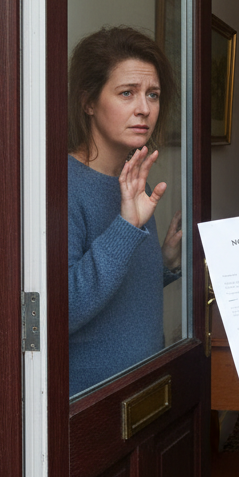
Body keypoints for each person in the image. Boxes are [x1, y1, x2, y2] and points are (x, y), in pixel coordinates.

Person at [67, 26, 182, 398]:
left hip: (146, 384)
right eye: (127, 93)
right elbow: (61, 311)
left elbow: (120, 293)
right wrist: (126, 226)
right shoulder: (62, 188)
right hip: (93, 400)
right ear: (88, 102)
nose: (144, 109)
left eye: (153, 95)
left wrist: (164, 263)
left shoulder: (135, 180)